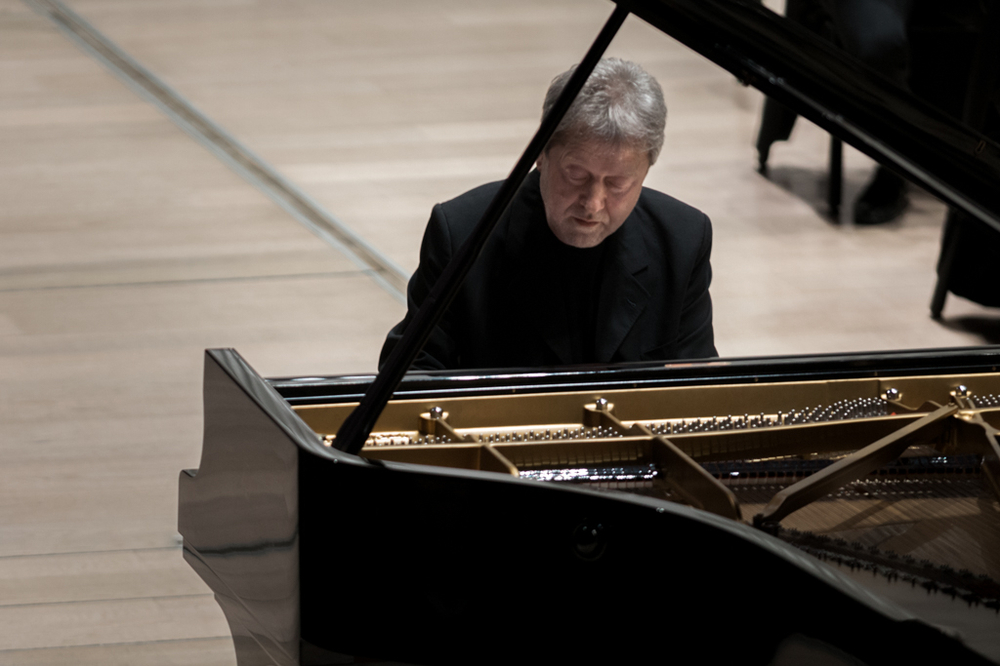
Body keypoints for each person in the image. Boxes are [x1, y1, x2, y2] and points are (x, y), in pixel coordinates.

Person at [379, 58, 717, 371]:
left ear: (645, 173)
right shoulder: (463, 232)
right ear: (541, 154)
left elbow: (699, 384)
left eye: (617, 184)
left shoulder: (683, 240)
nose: (593, 203)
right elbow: (411, 372)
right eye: (576, 175)